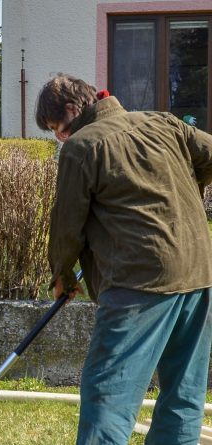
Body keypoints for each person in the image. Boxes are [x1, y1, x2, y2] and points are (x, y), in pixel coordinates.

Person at [37, 73, 212, 445]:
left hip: (140, 282)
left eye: (57, 128)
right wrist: (187, 185)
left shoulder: (83, 147)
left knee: (109, 392)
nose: (59, 138)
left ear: (73, 110)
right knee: (183, 393)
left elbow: (67, 224)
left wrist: (63, 275)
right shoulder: (164, 123)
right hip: (199, 272)